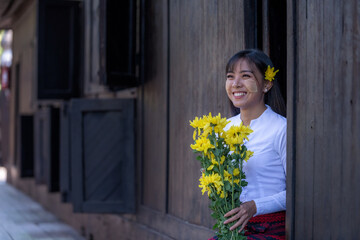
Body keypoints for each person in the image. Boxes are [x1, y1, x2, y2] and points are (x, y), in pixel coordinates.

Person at [209, 49, 287, 239]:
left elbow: (298, 192)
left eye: (245, 76)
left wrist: (255, 206)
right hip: (235, 228)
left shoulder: (281, 128)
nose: (235, 84)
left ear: (266, 84)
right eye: (230, 76)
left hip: (272, 227)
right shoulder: (224, 129)